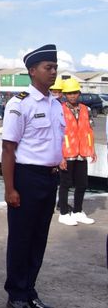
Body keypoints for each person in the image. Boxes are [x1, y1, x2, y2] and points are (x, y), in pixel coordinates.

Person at [1, 44, 64, 308]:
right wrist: (9, 188)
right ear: (32, 71)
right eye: (48, 68)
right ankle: (16, 294)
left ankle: (29, 290)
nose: (53, 72)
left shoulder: (55, 104)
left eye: (55, 67)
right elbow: (8, 149)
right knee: (21, 238)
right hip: (26, 178)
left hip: (50, 178)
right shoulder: (20, 103)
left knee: (39, 238)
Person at [56, 78, 96, 226]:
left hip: (82, 153)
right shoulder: (59, 109)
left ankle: (78, 211)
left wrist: (92, 150)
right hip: (67, 153)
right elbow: (56, 134)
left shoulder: (86, 109)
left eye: (74, 93)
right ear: (65, 94)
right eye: (69, 93)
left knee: (82, 184)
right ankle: (64, 213)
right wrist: (60, 157)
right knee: (65, 184)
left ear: (79, 93)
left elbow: (89, 131)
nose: (72, 96)